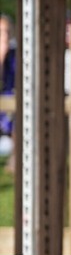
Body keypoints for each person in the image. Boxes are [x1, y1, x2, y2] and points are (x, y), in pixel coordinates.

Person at [0, 15, 15, 163]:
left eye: (7, 31)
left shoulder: (15, 55)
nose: (5, 35)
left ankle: (14, 159)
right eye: (1, 31)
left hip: (10, 110)